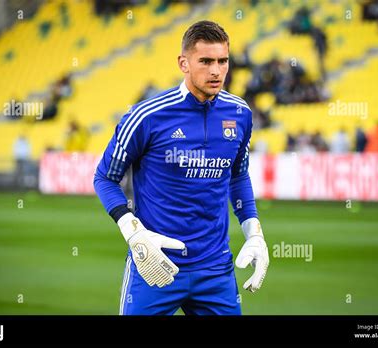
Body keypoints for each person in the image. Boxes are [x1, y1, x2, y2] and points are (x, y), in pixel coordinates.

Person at [94, 20, 269, 315]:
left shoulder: (240, 113)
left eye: (223, 61)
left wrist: (254, 232)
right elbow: (105, 177)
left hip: (215, 270)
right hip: (154, 264)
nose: (216, 70)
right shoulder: (146, 116)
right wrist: (132, 231)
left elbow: (237, 176)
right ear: (183, 63)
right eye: (206, 61)